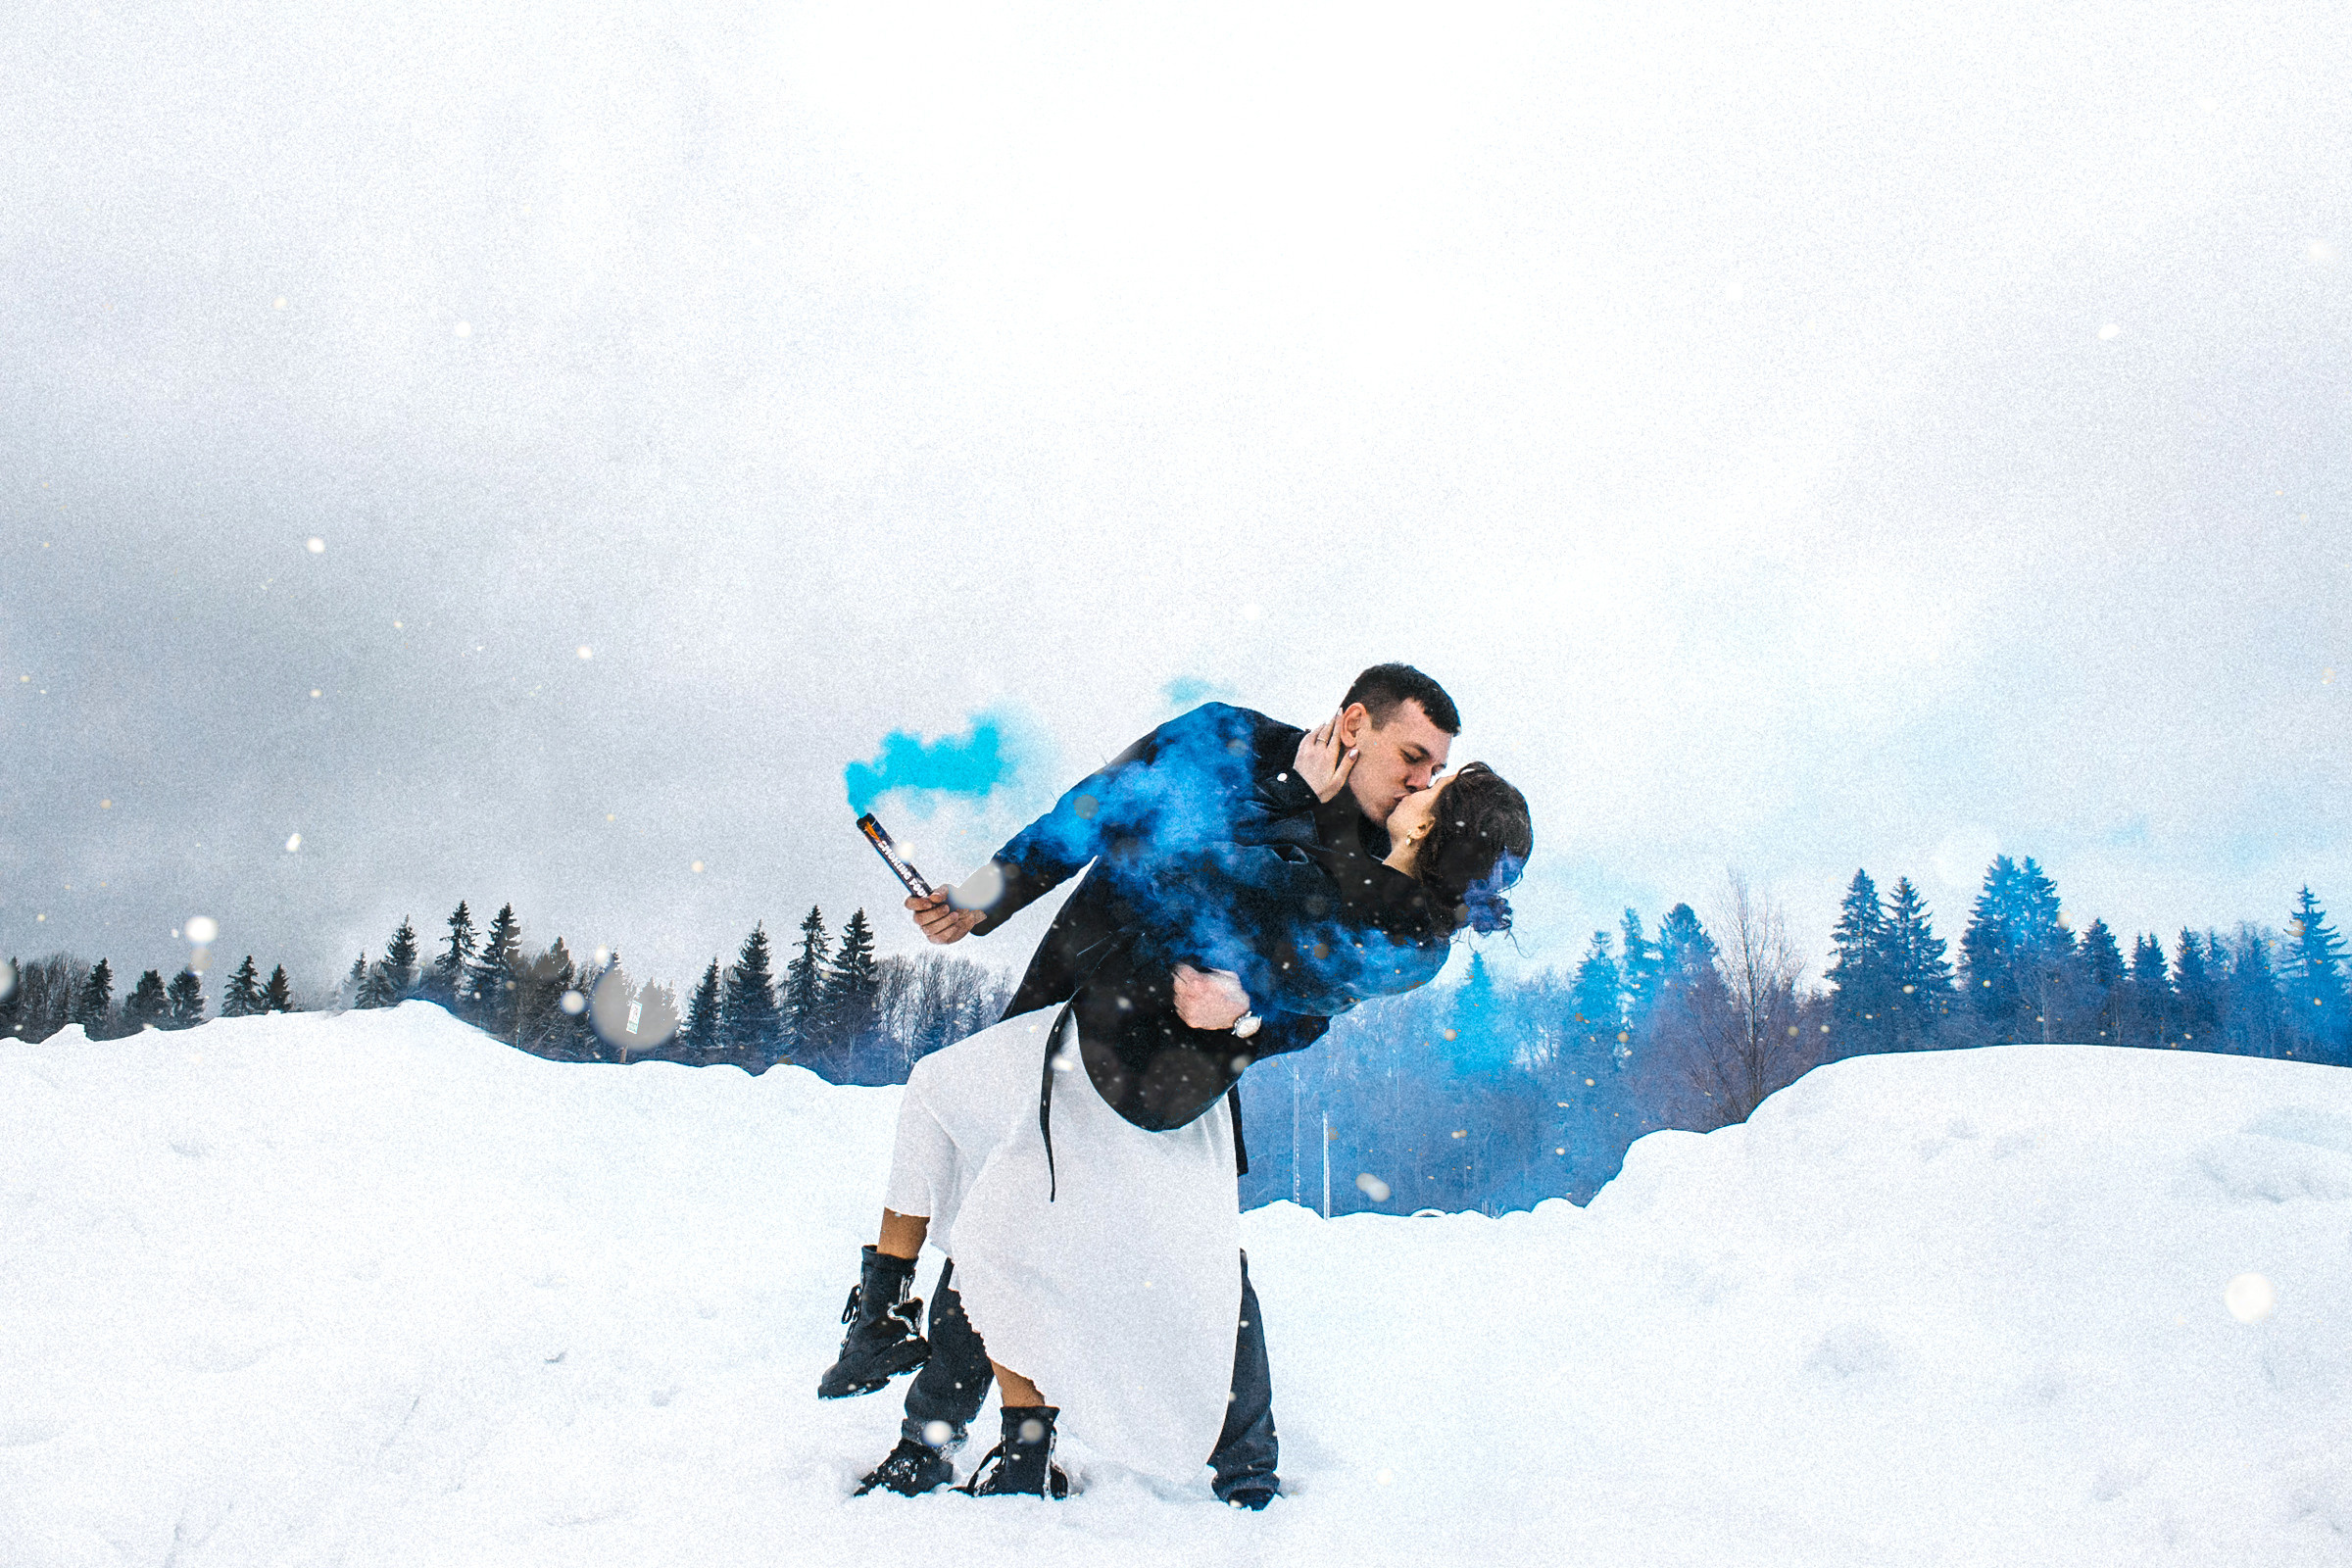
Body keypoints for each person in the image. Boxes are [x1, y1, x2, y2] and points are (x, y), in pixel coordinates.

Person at [819, 667, 1530, 1502]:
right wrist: (983, 897)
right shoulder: (1225, 739)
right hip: (1080, 990)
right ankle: (940, 1439)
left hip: (1181, 1063)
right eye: (1413, 757)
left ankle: (1242, 1470)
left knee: (1197, 1258)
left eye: (1434, 771)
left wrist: (1249, 1013)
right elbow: (1093, 809)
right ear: (1353, 725)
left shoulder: (1386, 860)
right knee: (999, 1202)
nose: (1419, 780)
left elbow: (1321, 998)